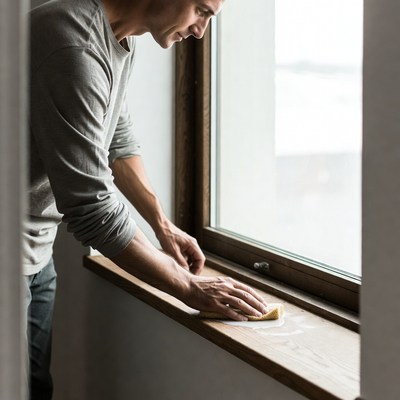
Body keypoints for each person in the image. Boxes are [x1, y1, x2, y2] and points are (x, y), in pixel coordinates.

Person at [26, 0, 269, 398]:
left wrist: (162, 224)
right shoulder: (75, 45)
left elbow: (115, 138)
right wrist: (190, 288)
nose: (199, 31)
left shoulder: (118, 37)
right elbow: (91, 208)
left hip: (34, 253)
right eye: (202, 11)